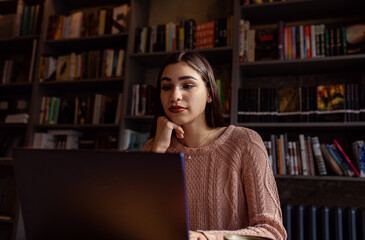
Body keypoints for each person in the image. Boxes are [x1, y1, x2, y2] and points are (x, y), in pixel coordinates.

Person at [143, 50, 287, 240]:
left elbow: (271, 232)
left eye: (187, 85)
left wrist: (203, 237)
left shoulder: (245, 142)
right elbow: (143, 222)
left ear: (210, 93)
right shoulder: (153, 149)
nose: (175, 96)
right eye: (166, 87)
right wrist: (158, 152)